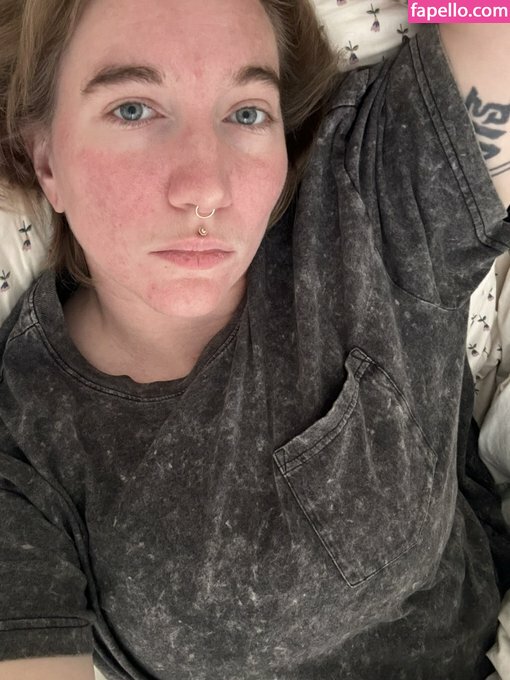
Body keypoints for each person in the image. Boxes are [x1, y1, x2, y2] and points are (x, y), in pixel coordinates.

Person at [0, 1, 509, 679]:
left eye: (246, 114)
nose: (205, 188)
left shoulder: (360, 202)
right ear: (46, 160)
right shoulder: (22, 440)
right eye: (133, 109)